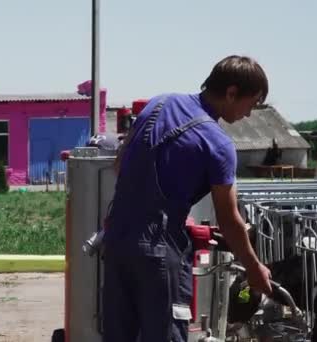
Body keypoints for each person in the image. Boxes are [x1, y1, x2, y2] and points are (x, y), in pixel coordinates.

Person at [102, 55, 273, 341]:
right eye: (251, 103)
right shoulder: (217, 144)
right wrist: (254, 269)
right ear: (231, 93)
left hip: (118, 240)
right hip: (159, 253)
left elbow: (120, 165)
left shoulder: (159, 104)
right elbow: (230, 220)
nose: (249, 114)